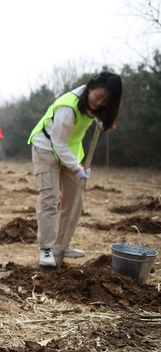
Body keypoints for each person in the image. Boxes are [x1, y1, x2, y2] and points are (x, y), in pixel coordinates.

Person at [28, 72, 122, 267]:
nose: (100, 103)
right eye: (98, 97)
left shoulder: (95, 109)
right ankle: (47, 248)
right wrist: (77, 169)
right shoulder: (67, 107)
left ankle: (61, 245)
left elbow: (69, 144)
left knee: (75, 200)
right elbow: (58, 143)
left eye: (106, 101)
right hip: (46, 148)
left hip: (69, 153)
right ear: (89, 88)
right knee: (50, 197)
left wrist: (77, 165)